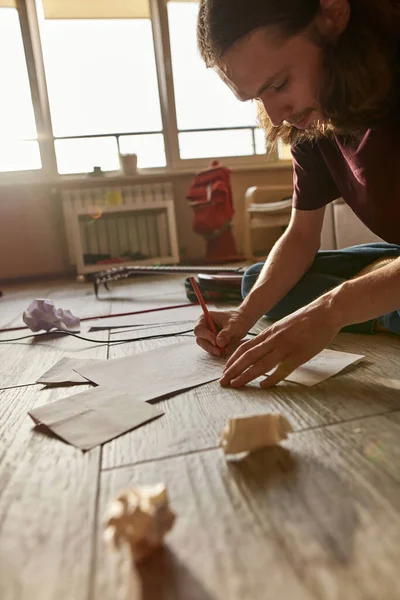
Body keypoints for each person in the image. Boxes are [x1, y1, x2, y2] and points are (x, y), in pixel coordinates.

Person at [193, 0, 400, 389]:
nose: (274, 115)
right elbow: (302, 235)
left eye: (278, 84)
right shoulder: (310, 120)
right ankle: (383, 304)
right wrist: (242, 318)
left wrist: (331, 310)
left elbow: (328, 304)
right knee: (255, 282)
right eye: (257, 97)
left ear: (334, 14)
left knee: (317, 302)